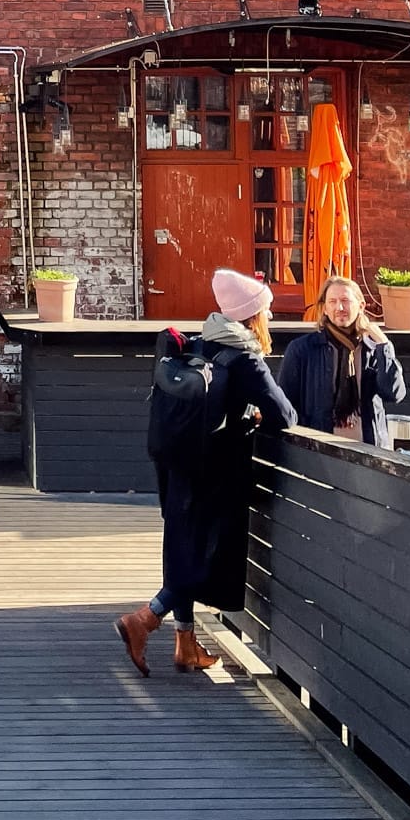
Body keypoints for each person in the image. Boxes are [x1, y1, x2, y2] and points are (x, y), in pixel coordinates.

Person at [115, 268, 296, 677]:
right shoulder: (244, 355)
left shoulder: (199, 343)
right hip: (218, 470)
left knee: (183, 547)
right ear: (254, 315)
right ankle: (144, 619)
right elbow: (285, 415)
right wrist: (252, 416)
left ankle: (185, 643)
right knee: (207, 555)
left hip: (178, 463)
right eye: (266, 311)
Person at [279, 276, 405, 446]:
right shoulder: (303, 349)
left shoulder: (374, 349)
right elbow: (286, 403)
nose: (339, 307)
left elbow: (394, 393)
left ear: (361, 306)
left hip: (370, 450)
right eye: (332, 301)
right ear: (324, 308)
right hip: (320, 453)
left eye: (345, 300)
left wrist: (384, 346)